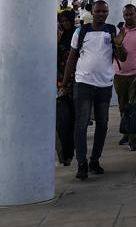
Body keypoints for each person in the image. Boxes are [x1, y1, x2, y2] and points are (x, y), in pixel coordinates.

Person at [62, 1, 126, 179]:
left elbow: (123, 57)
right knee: (81, 124)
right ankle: (81, 163)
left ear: (108, 12)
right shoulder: (81, 31)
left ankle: (94, 160)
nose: (101, 14)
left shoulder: (112, 31)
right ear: (92, 12)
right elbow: (72, 58)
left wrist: (119, 44)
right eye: (98, 11)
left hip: (104, 85)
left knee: (103, 124)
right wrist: (65, 83)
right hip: (83, 83)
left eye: (104, 11)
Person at [114, 4, 136, 151]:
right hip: (119, 75)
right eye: (126, 15)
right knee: (123, 107)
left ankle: (134, 139)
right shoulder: (120, 31)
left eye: (131, 14)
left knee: (135, 106)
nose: (128, 17)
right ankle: (126, 131)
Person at [56, 10, 77, 166]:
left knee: (74, 121)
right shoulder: (61, 37)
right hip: (63, 84)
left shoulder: (75, 35)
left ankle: (71, 152)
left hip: (76, 83)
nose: (64, 24)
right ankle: (67, 154)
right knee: (64, 121)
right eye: (61, 21)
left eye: (66, 20)